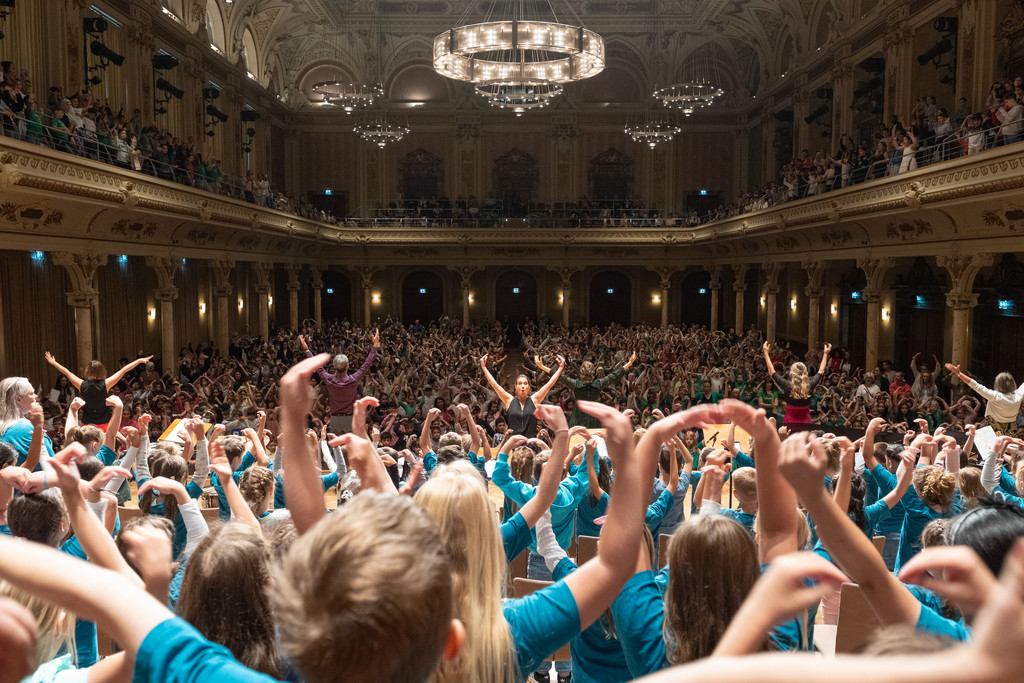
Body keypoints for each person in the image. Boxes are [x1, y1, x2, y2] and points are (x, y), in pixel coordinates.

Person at [299, 329, 379, 434]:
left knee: (335, 444)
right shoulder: (354, 379)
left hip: (335, 419)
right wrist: (375, 346)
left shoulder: (329, 379)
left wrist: (306, 349)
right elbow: (366, 364)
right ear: (347, 366)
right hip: (350, 419)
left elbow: (317, 365)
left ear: (334, 367)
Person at [44, 351, 152, 428]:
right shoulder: (106, 383)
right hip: (105, 422)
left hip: (87, 423)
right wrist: (139, 361)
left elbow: (67, 372)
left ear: (87, 371)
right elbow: (123, 370)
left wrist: (54, 363)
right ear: (102, 371)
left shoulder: (81, 384)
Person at [479, 352, 564, 438]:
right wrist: (484, 367)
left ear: (529, 387)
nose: (522, 386)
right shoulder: (509, 400)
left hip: (531, 442)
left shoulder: (534, 399)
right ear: (516, 387)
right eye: (520, 384)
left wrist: (560, 368)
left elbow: (550, 383)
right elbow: (494, 384)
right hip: (514, 443)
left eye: (525, 383)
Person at [554, 353, 636, 429]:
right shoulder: (598, 384)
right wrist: (629, 363)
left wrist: (546, 368)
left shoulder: (575, 384)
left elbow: (560, 377)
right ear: (593, 372)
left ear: (581, 371)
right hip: (593, 415)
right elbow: (614, 375)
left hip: (578, 416)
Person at [763, 341, 831, 431]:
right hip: (805, 424)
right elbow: (821, 371)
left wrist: (766, 352)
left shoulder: (787, 385)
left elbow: (771, 371)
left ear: (792, 373)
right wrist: (826, 353)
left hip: (789, 423)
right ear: (805, 372)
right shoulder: (810, 385)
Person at [945, 363, 1024, 434]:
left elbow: (975, 385)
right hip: (1010, 432)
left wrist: (959, 373)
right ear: (1013, 383)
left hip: (993, 431)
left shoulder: (994, 396)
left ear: (997, 384)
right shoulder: (1018, 395)